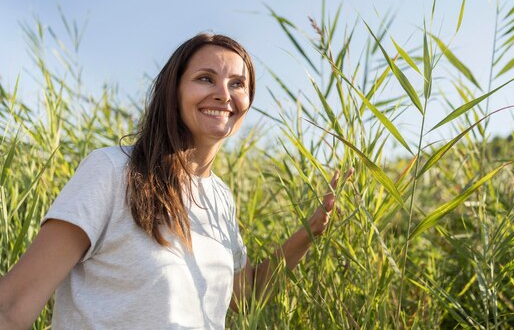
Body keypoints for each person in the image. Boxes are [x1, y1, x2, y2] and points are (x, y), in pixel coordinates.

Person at [0, 33, 351, 330]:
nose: (224, 94)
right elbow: (13, 305)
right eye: (205, 78)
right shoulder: (112, 170)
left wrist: (311, 229)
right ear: (174, 90)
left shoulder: (220, 198)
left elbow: (244, 295)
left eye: (238, 84)